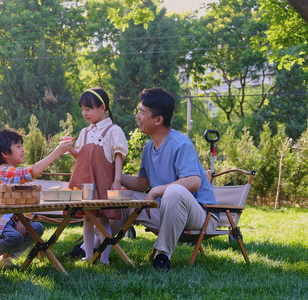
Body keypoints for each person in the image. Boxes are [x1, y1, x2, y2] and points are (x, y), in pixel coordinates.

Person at [120, 87, 218, 271]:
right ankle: (99, 244)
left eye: (141, 112)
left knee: (174, 191)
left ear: (158, 120)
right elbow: (142, 184)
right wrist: (115, 175)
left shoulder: (181, 143)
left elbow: (193, 181)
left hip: (201, 215)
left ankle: (162, 256)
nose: (137, 117)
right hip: (167, 211)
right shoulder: (149, 147)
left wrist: (156, 191)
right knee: (124, 197)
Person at [0, 129, 72, 270]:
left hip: (13, 221)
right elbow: (32, 171)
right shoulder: (4, 172)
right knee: (15, 237)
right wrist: (57, 152)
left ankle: (5, 258)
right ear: (5, 153)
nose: (23, 150)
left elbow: (22, 201)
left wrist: (21, 221)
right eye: (18, 147)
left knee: (37, 228)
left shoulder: (15, 174)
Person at [65, 87, 128, 264]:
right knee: (87, 217)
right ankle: (88, 255)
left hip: (104, 181)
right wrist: (70, 150)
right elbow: (81, 158)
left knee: (103, 218)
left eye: (89, 109)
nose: (85, 113)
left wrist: (117, 180)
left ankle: (105, 258)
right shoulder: (85, 132)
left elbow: (118, 157)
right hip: (85, 182)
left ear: (102, 108)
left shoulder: (113, 130)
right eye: (83, 109)